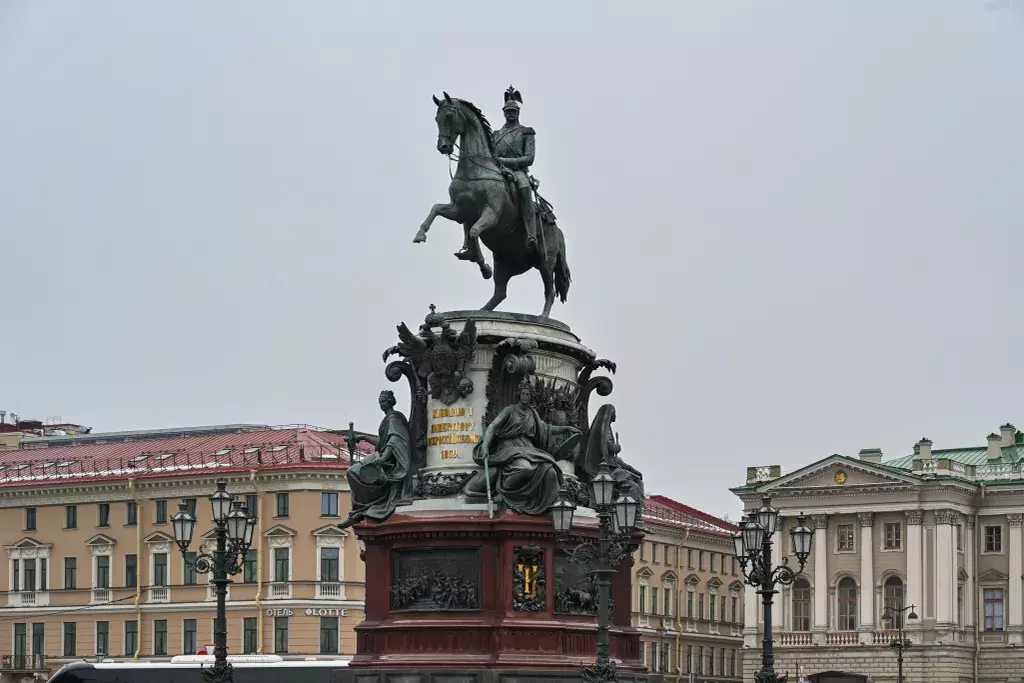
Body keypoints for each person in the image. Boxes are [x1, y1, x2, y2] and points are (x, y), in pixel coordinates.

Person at [465, 377, 580, 515]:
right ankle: (505, 492)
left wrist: (566, 428)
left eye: (528, 394)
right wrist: (485, 446)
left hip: (528, 448)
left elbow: (547, 429)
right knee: (524, 468)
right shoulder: (510, 410)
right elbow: (492, 427)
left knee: (550, 469)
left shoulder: (533, 413)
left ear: (531, 396)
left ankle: (551, 505)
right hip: (510, 447)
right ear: (519, 395)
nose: (525, 397)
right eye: (523, 394)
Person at [338, 390, 412, 528]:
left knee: (354, 472)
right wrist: (363, 437)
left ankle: (361, 510)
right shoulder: (388, 419)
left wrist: (384, 457)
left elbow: (394, 440)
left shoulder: (394, 418)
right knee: (351, 472)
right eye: (380, 402)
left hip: (389, 462)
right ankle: (360, 510)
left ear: (390, 402)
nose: (381, 405)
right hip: (382, 457)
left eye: (383, 401)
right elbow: (383, 442)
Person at [582, 404, 644, 504]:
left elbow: (618, 460)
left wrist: (634, 471)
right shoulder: (602, 430)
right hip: (609, 469)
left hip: (614, 466)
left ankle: (637, 509)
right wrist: (615, 447)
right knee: (634, 487)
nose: (615, 416)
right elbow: (604, 444)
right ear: (609, 414)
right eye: (614, 414)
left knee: (639, 482)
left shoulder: (608, 429)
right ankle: (630, 510)